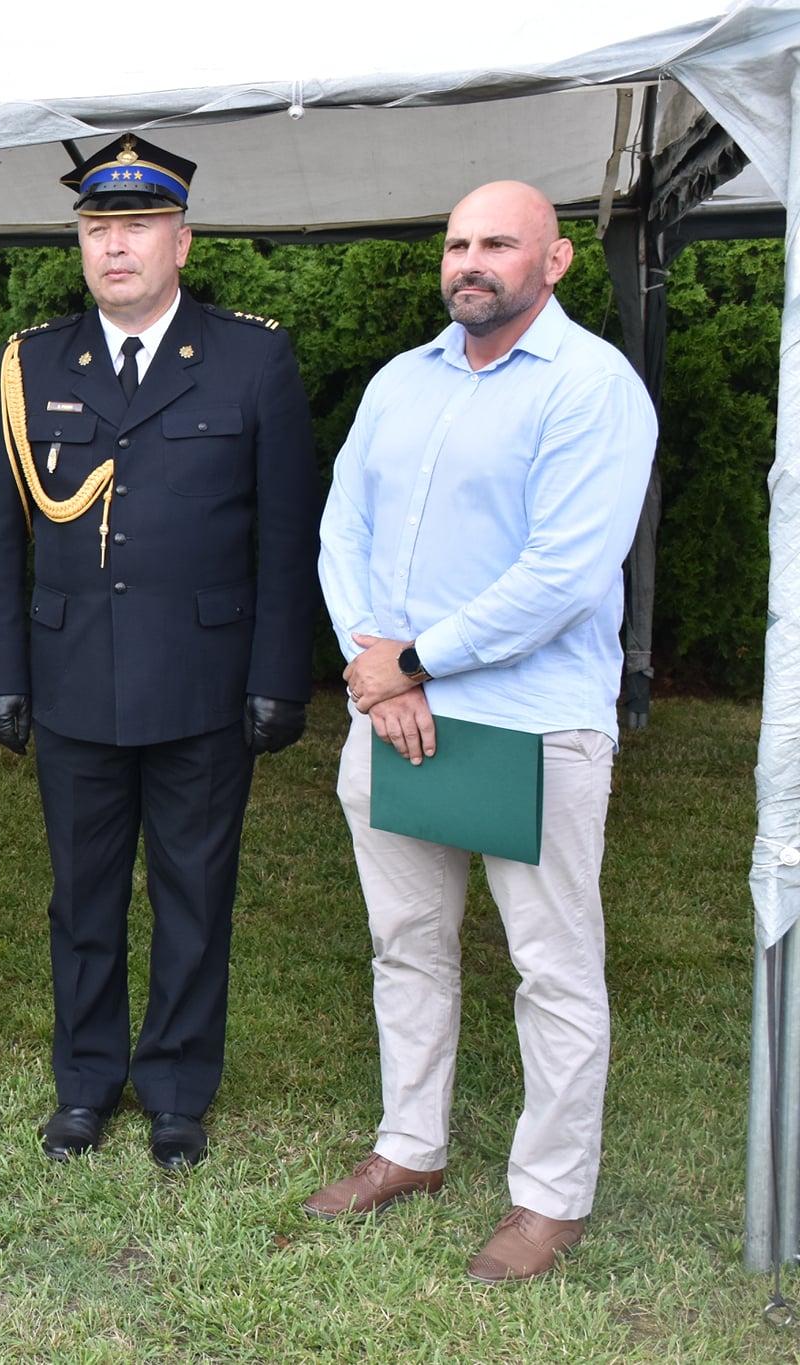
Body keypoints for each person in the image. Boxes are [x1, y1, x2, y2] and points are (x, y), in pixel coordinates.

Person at [304, 181, 657, 1284]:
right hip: (392, 713)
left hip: (528, 727)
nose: (471, 260)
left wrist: (411, 661)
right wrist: (377, 668)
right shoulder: (399, 382)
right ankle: (409, 1146)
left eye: (498, 242)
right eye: (458, 242)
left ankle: (550, 1199)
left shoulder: (593, 387)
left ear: (553, 261)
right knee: (404, 944)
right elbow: (342, 528)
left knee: (552, 968)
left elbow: (562, 573)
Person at [0, 134, 321, 1169]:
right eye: (95, 228)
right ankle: (84, 1082)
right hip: (72, 674)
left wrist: (277, 676)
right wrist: (0, 673)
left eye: (135, 227)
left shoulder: (250, 357)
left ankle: (175, 1088)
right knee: (81, 897)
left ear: (182, 241)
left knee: (193, 896)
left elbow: (284, 534)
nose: (113, 247)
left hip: (203, 681)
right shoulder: (34, 363)